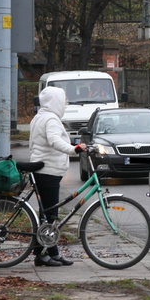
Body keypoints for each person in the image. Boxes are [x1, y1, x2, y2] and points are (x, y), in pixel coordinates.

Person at [28, 86, 87, 267]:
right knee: (50, 215)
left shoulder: (39, 117)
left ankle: (50, 253)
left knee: (48, 215)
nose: (65, 104)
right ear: (55, 101)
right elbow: (54, 140)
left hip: (45, 170)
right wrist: (73, 149)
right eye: (63, 100)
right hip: (48, 171)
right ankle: (42, 254)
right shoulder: (51, 119)